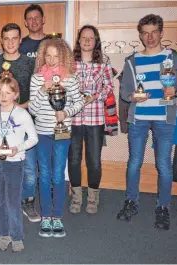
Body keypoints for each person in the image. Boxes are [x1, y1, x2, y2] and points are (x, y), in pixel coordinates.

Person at [117, 14, 177, 230]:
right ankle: (131, 202)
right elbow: (125, 91)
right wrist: (132, 97)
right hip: (138, 118)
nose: (149, 37)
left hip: (164, 118)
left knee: (163, 165)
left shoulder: (174, 57)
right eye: (145, 33)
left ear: (161, 33)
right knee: (134, 162)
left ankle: (163, 207)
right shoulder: (132, 60)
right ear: (140, 35)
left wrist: (174, 90)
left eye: (154, 32)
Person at [0, 23, 40, 223]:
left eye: (14, 38)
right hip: (1, 125)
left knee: (30, 168)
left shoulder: (29, 63)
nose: (10, 42)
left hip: (24, 121)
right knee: (1, 166)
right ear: (1, 40)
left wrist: (21, 108)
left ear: (20, 40)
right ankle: (5, 201)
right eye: (6, 38)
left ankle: (28, 201)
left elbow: (35, 94)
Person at [29, 38, 84, 238]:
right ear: (43, 56)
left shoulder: (70, 78)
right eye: (48, 56)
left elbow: (79, 102)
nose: (51, 60)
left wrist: (67, 112)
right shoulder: (36, 78)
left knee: (58, 174)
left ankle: (57, 216)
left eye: (56, 56)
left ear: (63, 56)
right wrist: (43, 90)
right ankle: (46, 216)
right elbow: (33, 109)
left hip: (62, 132)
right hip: (42, 133)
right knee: (43, 174)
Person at [0, 77, 37, 252]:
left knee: (13, 201)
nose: (4, 96)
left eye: (8, 93)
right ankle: (3, 234)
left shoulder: (22, 114)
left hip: (15, 163)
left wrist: (17, 148)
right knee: (0, 201)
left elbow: (34, 138)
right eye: (0, 92)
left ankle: (17, 236)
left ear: (16, 95)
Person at [68, 25, 115, 214]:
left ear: (96, 41)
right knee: (73, 159)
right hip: (74, 118)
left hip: (95, 118)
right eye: (84, 38)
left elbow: (109, 86)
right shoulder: (70, 62)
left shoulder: (104, 61)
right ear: (79, 40)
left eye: (91, 38)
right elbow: (63, 84)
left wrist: (95, 96)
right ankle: (77, 196)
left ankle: (93, 196)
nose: (87, 41)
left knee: (94, 161)